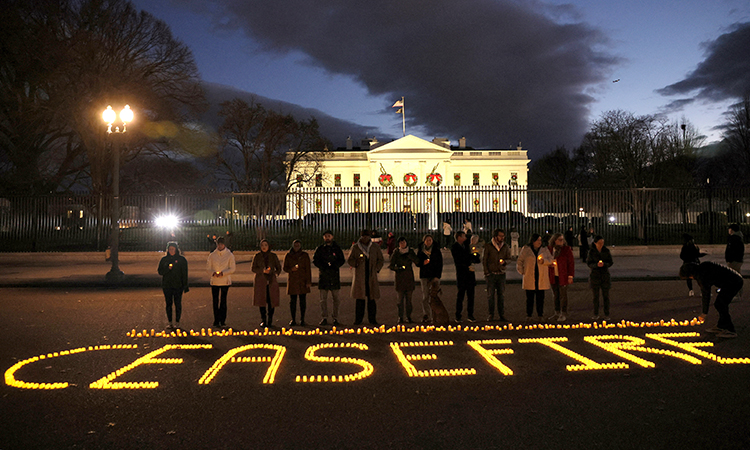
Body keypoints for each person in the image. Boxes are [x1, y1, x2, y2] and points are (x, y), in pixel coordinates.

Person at [680, 261, 742, 338]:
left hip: (733, 283)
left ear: (691, 274)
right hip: (733, 280)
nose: (691, 278)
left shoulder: (702, 276)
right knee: (719, 304)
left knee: (721, 304)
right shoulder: (703, 266)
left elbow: (706, 295)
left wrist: (704, 313)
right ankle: (721, 326)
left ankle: (730, 330)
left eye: (689, 277)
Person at [348, 229, 384, 325]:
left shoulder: (375, 247)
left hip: (371, 275)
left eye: (367, 236)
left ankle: (372, 319)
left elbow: (380, 259)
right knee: (360, 299)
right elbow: (350, 259)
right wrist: (356, 263)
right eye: (364, 236)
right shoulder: (356, 247)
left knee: (372, 299)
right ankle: (358, 319)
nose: (365, 238)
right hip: (360, 275)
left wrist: (377, 268)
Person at [517, 233, 553, 322]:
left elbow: (551, 260)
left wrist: (544, 261)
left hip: (541, 276)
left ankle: (540, 315)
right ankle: (529, 315)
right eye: (538, 240)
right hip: (530, 276)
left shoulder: (544, 249)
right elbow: (520, 261)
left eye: (540, 240)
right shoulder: (526, 249)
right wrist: (522, 272)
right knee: (529, 298)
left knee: (540, 298)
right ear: (533, 241)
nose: (539, 242)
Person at [313, 230, 345, 326]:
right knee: (323, 299)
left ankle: (335, 317)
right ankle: (324, 317)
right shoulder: (320, 249)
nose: (327, 238)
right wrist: (323, 266)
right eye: (326, 236)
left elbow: (342, 260)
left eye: (329, 236)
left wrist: (334, 265)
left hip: (334, 275)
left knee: (336, 299)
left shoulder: (337, 248)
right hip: (324, 276)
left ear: (332, 237)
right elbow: (315, 260)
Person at [157, 241, 189, 329]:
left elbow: (184, 273)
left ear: (176, 250)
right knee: (168, 304)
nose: (171, 251)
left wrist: (185, 285)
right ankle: (170, 321)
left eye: (173, 249)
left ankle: (177, 321)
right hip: (167, 285)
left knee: (178, 303)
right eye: (170, 249)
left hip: (178, 285)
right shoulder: (164, 260)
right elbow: (160, 271)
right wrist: (168, 268)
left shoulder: (182, 260)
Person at [483, 228, 512, 322]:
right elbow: (485, 260)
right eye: (500, 236)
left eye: (503, 236)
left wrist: (505, 262)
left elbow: (509, 258)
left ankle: (501, 314)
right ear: (495, 236)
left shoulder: (505, 246)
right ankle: (491, 314)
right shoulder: (488, 246)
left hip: (501, 273)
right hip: (491, 274)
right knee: (490, 295)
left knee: (501, 295)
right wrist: (487, 272)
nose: (502, 238)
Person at [206, 236, 236, 328]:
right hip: (215, 281)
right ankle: (216, 319)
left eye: (222, 244)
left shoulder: (229, 255)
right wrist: (213, 273)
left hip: (225, 281)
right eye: (219, 244)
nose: (220, 246)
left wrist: (223, 273)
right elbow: (208, 268)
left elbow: (232, 268)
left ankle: (222, 320)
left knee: (223, 301)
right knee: (215, 301)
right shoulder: (212, 255)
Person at [388, 237, 419, 323]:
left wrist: (412, 258)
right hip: (400, 278)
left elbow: (417, 261)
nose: (402, 244)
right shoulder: (396, 252)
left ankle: (408, 316)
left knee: (409, 300)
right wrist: (398, 268)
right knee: (400, 301)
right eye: (401, 243)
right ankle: (400, 317)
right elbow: (391, 265)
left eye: (404, 242)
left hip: (409, 278)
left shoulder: (410, 251)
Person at [252, 239, 282, 327]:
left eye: (265, 245)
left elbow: (278, 267)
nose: (264, 247)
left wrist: (274, 273)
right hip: (261, 281)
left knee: (271, 300)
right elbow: (253, 268)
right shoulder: (257, 256)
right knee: (261, 301)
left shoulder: (273, 256)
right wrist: (262, 271)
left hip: (271, 281)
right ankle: (263, 319)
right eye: (262, 245)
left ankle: (270, 320)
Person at [452, 231, 479, 322]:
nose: (465, 238)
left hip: (470, 274)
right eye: (463, 236)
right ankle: (458, 315)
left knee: (471, 296)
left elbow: (475, 258)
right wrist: (470, 259)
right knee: (461, 296)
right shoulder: (455, 247)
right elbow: (460, 259)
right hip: (462, 274)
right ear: (459, 237)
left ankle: (470, 314)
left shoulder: (466, 245)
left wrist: (475, 255)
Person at [283, 239, 312, 326]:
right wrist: (291, 269)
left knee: (303, 301)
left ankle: (302, 319)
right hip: (293, 280)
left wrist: (308, 281)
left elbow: (308, 269)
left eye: (298, 246)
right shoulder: (288, 255)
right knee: (293, 301)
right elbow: (285, 268)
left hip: (302, 280)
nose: (296, 247)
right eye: (295, 246)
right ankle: (293, 319)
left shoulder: (304, 255)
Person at [547, 233, 575, 322]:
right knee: (555, 295)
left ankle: (563, 312)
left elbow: (571, 263)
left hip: (563, 275)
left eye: (562, 240)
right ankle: (557, 312)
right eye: (559, 240)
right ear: (554, 240)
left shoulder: (566, 250)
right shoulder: (550, 250)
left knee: (563, 295)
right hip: (553, 275)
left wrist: (570, 276)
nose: (561, 242)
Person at [417, 234, 443, 323]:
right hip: (424, 275)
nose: (429, 242)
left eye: (430, 240)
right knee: (425, 296)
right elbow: (417, 262)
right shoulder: (421, 250)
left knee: (434, 297)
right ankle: (426, 315)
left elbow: (440, 264)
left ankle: (435, 316)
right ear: (424, 241)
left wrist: (437, 276)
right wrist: (422, 263)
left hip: (433, 275)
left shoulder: (436, 250)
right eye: (427, 240)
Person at [586, 235, 613, 321]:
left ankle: (606, 313)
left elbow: (610, 262)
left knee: (606, 296)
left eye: (602, 242)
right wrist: (596, 265)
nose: (601, 244)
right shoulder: (591, 252)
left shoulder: (606, 251)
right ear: (595, 243)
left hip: (604, 275)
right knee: (595, 297)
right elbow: (589, 263)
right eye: (599, 243)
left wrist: (604, 264)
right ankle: (596, 313)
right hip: (595, 275)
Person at [725, 223, 744, 301]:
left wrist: (730, 259)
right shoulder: (739, 238)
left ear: (732, 230)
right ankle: (739, 293)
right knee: (737, 277)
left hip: (734, 260)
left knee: (733, 278)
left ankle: (735, 295)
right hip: (737, 260)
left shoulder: (733, 238)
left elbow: (732, 250)